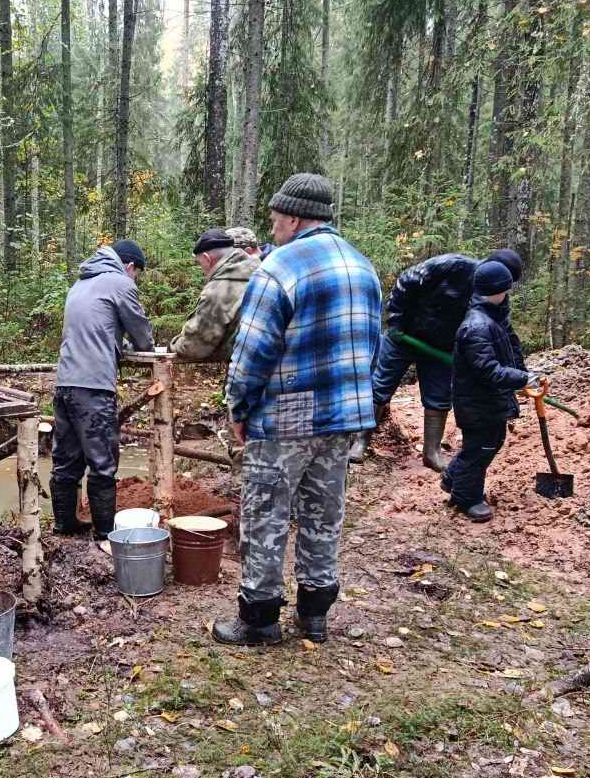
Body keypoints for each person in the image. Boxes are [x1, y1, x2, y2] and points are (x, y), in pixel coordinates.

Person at [213, 173, 382, 646]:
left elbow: (253, 351)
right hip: (344, 413)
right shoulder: (363, 267)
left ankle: (260, 619)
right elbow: (374, 346)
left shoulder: (279, 268)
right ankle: (315, 614)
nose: (272, 229)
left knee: (267, 509)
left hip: (291, 408)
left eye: (274, 220)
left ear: (292, 217)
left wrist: (239, 407)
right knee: (323, 512)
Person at [349, 247, 524, 470]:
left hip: (442, 347)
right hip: (404, 336)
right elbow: (406, 281)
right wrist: (396, 320)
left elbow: (506, 335)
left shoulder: (495, 299)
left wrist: (521, 373)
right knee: (381, 386)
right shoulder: (453, 265)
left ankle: (431, 453)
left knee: (439, 397)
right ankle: (361, 441)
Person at [51, 240, 155, 542]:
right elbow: (142, 337)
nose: (134, 279)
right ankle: (105, 533)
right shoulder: (120, 283)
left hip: (65, 383)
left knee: (66, 458)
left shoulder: (81, 283)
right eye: (137, 274)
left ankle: (64, 525)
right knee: (102, 462)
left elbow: (94, 331)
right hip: (93, 387)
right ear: (131, 266)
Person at [442, 259, 540, 523]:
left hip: (488, 401)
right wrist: (521, 379)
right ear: (497, 290)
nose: (508, 294)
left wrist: (520, 375)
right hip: (477, 403)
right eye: (506, 289)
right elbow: (488, 370)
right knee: (481, 448)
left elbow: (508, 351)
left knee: (488, 443)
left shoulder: (492, 318)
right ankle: (467, 498)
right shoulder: (476, 327)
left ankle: (453, 476)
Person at [169, 227, 261, 362]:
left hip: (248, 368)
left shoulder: (218, 290)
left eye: (201, 264)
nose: (202, 270)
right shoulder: (263, 271)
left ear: (207, 259)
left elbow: (193, 347)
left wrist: (173, 345)